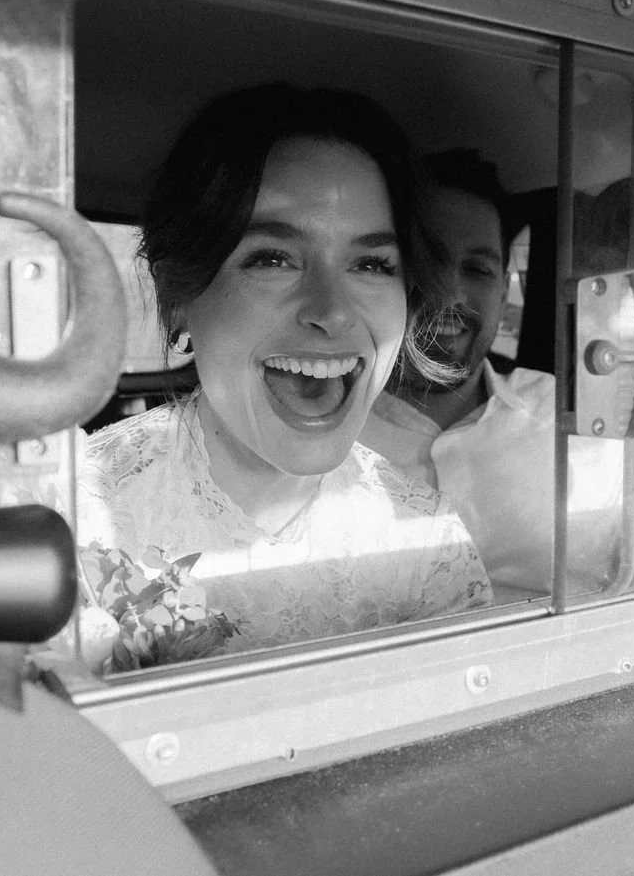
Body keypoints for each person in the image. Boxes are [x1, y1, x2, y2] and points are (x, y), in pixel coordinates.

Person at [75, 85, 491, 668]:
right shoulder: (83, 513)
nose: (333, 311)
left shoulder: (423, 539)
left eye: (371, 264)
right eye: (271, 258)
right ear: (178, 298)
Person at [359, 150, 634, 601]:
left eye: (477, 269)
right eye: (425, 262)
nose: (450, 293)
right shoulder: (317, 430)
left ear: (503, 284)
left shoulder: (574, 420)